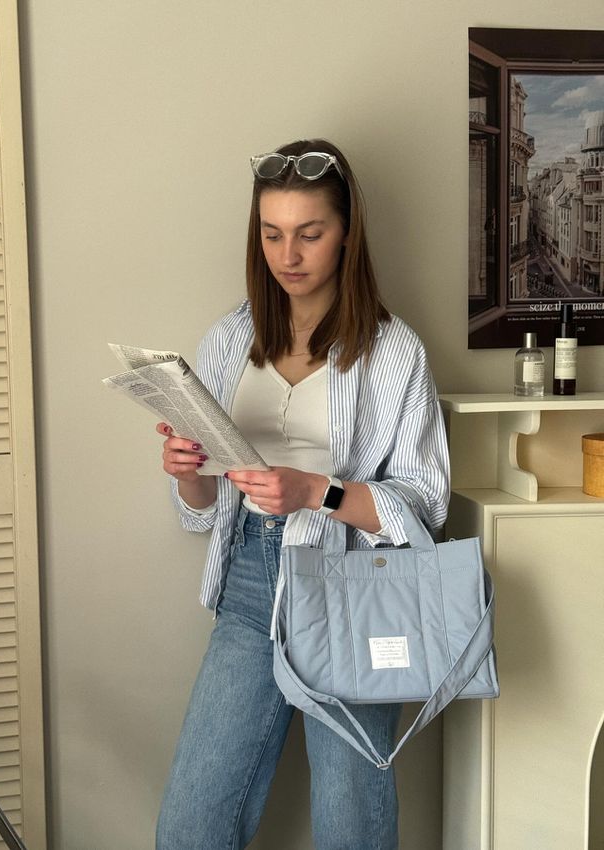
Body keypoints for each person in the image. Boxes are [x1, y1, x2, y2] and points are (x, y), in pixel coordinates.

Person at [154, 139, 450, 850]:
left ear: (346, 232)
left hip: (353, 588)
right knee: (191, 824)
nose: (288, 255)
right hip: (249, 581)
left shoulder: (395, 350)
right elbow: (199, 514)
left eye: (309, 233)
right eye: (272, 233)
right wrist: (187, 471)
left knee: (351, 822)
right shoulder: (230, 339)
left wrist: (317, 490)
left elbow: (426, 506)